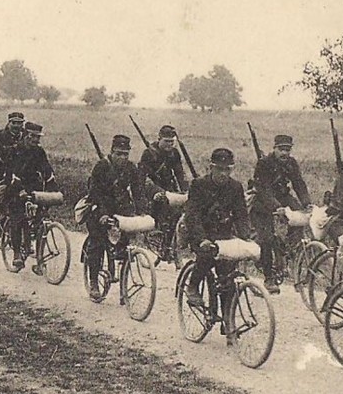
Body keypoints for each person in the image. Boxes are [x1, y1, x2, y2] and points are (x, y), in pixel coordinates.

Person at [183, 148, 253, 317]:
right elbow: (192, 216)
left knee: (227, 277)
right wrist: (201, 239)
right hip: (201, 233)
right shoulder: (199, 185)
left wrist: (246, 237)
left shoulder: (235, 187)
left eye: (227, 169)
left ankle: (228, 322)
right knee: (206, 256)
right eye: (219, 169)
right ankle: (193, 286)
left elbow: (241, 215)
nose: (223, 174)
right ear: (211, 168)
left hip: (223, 236)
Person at [84, 134, 146, 301]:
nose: (122, 157)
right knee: (96, 243)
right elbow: (95, 192)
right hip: (99, 207)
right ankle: (94, 283)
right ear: (111, 152)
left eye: (125, 154)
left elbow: (138, 191)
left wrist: (142, 212)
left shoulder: (131, 168)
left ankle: (123, 289)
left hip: (121, 209)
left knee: (125, 246)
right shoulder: (101, 166)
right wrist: (103, 213)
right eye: (118, 153)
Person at [250, 134, 313, 294]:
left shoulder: (291, 163)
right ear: (274, 148)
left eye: (288, 149)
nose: (285, 153)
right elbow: (263, 189)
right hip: (263, 202)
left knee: (301, 218)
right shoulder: (264, 163)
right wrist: (277, 207)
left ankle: (286, 253)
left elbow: (298, 183)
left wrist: (307, 203)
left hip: (283, 197)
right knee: (266, 239)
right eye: (281, 149)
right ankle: (269, 277)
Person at [4, 122, 58, 273]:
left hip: (34, 189)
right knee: (18, 218)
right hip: (15, 188)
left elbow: (47, 171)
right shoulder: (14, 151)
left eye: (38, 137)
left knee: (41, 220)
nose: (35, 140)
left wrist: (54, 189)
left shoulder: (39, 152)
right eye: (32, 136)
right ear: (25, 135)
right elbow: (11, 174)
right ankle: (16, 254)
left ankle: (39, 261)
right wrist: (19, 191)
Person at [138, 125, 189, 256]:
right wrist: (155, 191)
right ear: (159, 139)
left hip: (168, 187)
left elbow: (179, 173)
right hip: (152, 186)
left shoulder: (174, 154)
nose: (169, 144)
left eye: (172, 141)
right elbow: (142, 177)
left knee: (178, 211)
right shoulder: (149, 153)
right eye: (166, 141)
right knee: (160, 206)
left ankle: (167, 245)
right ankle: (154, 234)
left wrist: (187, 191)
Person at [0, 112, 26, 218]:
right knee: (2, 193)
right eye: (14, 123)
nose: (16, 126)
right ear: (9, 123)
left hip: (22, 168)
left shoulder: (25, 135)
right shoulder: (2, 135)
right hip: (5, 168)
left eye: (19, 123)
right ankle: (1, 217)